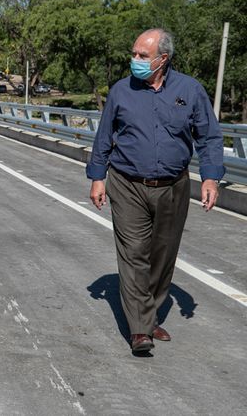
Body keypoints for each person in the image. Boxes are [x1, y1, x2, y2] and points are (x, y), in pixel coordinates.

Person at [87, 28, 225, 354]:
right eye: (133, 53)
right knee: (134, 253)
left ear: (163, 59)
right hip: (127, 184)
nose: (134, 59)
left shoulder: (189, 90)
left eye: (142, 55)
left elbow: (209, 136)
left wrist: (210, 178)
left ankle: (147, 315)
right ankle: (140, 330)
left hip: (173, 186)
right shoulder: (121, 91)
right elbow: (104, 137)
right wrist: (97, 177)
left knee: (163, 256)